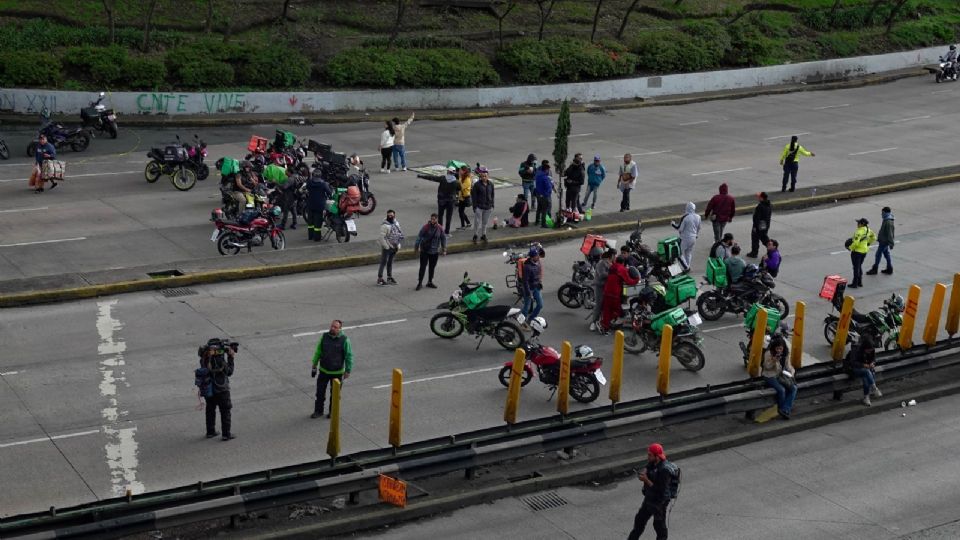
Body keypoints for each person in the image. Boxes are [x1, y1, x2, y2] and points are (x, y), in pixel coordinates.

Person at [627, 443, 672, 540]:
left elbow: (660, 491)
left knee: (659, 527)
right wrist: (644, 472)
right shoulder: (652, 463)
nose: (648, 457)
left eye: (650, 455)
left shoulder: (664, 471)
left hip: (659, 502)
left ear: (657, 456)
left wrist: (646, 480)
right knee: (639, 521)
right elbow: (647, 467)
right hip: (649, 499)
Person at [196, 338, 238, 440]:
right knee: (225, 410)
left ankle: (210, 432)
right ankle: (226, 434)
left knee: (210, 409)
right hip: (221, 389)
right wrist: (231, 357)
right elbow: (229, 372)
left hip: (208, 388)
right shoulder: (219, 360)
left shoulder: (205, 357)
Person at [310, 320, 353, 419]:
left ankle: (332, 412)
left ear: (340, 329)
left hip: (337, 373)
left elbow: (349, 356)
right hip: (324, 371)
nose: (332, 328)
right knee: (320, 393)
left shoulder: (345, 340)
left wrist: (348, 370)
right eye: (332, 326)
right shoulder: (324, 337)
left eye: (335, 327)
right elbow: (318, 351)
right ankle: (318, 411)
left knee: (335, 395)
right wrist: (314, 364)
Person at [600, 256, 640, 333]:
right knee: (617, 310)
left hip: (606, 291)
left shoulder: (612, 267)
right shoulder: (622, 269)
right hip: (615, 293)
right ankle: (613, 324)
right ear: (623, 262)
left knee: (607, 310)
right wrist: (636, 280)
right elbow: (628, 281)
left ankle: (605, 326)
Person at [761, 335, 797, 419]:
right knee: (781, 390)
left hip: (781, 375)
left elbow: (788, 366)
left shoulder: (786, 354)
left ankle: (785, 409)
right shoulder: (769, 353)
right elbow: (766, 367)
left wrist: (792, 372)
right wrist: (774, 360)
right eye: (777, 349)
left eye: (781, 348)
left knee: (793, 388)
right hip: (769, 375)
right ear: (774, 348)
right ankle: (782, 409)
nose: (779, 351)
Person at [844, 335, 882, 406]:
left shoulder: (872, 350)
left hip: (866, 370)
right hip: (853, 369)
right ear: (864, 348)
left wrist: (872, 363)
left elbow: (874, 359)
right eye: (868, 350)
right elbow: (853, 363)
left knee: (866, 376)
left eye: (871, 350)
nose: (869, 352)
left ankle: (866, 397)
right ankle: (874, 388)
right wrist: (863, 365)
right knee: (867, 372)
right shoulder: (856, 349)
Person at [414, 213, 446, 290]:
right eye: (431, 219)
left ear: (437, 219)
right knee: (422, 267)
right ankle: (420, 283)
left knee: (432, 267)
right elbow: (419, 237)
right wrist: (416, 247)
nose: (432, 220)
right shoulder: (426, 227)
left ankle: (430, 282)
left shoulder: (440, 228)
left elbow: (443, 239)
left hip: (435, 252)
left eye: (434, 219)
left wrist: (444, 249)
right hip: (425, 250)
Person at [589, 248, 614, 332]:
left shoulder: (611, 262)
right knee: (599, 305)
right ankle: (593, 322)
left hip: (607, 286)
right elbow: (602, 274)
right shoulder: (601, 263)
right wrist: (612, 273)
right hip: (600, 286)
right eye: (614, 255)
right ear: (611, 256)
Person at [847, 217, 876, 289]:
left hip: (857, 252)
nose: (857, 224)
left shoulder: (859, 232)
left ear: (862, 224)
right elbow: (874, 237)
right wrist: (868, 243)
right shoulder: (868, 230)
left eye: (858, 223)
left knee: (856, 267)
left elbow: (856, 243)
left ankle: (855, 284)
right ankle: (860, 282)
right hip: (864, 251)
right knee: (859, 266)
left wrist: (850, 248)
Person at [671, 202, 701, 271]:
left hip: (685, 238)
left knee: (679, 253)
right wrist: (696, 234)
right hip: (693, 237)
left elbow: (680, 228)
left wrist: (673, 224)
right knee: (688, 253)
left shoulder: (685, 217)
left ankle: (686, 267)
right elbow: (699, 227)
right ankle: (687, 265)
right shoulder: (698, 217)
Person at [867, 206, 895, 275]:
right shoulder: (887, 219)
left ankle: (875, 269)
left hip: (884, 242)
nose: (881, 214)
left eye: (882, 213)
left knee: (878, 255)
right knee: (886, 254)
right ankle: (889, 268)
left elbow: (890, 234)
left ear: (886, 213)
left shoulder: (888, 222)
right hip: (883, 241)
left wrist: (891, 243)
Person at [377, 209, 402, 286]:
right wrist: (386, 247)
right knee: (383, 262)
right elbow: (381, 237)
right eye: (388, 215)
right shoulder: (385, 225)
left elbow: (399, 233)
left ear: (394, 215)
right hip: (387, 247)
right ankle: (380, 279)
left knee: (390, 262)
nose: (390, 216)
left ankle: (389, 277)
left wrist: (398, 244)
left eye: (391, 215)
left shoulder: (396, 223)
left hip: (394, 246)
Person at [520, 247, 544, 326]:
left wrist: (540, 282)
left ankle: (530, 319)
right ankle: (521, 323)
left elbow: (539, 272)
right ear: (532, 257)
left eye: (538, 255)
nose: (538, 257)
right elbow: (525, 281)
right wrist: (529, 293)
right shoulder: (527, 267)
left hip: (537, 287)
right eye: (536, 255)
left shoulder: (538, 262)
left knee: (540, 305)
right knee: (526, 307)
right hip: (529, 289)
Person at [306, 172, 332, 241]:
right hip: (319, 205)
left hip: (310, 204)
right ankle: (317, 238)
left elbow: (306, 189)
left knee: (310, 222)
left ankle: (310, 236)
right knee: (317, 223)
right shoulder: (323, 184)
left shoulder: (309, 182)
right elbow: (329, 192)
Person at [471, 167, 495, 243]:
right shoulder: (477, 185)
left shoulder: (490, 184)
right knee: (477, 222)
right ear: (480, 177)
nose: (484, 177)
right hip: (479, 207)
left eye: (485, 176)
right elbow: (474, 197)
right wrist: (474, 207)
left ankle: (483, 235)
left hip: (488, 207)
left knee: (485, 222)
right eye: (482, 176)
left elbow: (492, 195)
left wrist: (492, 205)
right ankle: (475, 235)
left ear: (488, 176)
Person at [747, 191, 771, 258]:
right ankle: (771, 249)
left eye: (759, 197)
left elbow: (757, 218)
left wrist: (755, 226)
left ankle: (754, 253)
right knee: (764, 238)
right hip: (765, 225)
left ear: (762, 198)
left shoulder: (760, 206)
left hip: (759, 226)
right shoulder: (768, 205)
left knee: (755, 239)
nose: (758, 198)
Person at [437, 165, 459, 236]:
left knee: (440, 216)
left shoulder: (443, 178)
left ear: (448, 172)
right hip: (450, 201)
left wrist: (421, 176)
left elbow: (432, 178)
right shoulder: (456, 182)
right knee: (448, 217)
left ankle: (440, 231)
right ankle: (447, 232)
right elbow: (460, 188)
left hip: (441, 200)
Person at [534, 160, 554, 228]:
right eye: (548, 170)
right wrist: (547, 193)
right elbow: (548, 188)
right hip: (544, 196)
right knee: (545, 210)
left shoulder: (538, 175)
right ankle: (543, 223)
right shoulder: (545, 178)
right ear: (546, 170)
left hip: (538, 194)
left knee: (539, 208)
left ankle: (537, 221)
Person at [457, 164, 473, 230]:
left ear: (464, 171)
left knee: (460, 211)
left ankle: (463, 226)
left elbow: (461, 187)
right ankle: (468, 223)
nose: (459, 171)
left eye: (460, 170)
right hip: (462, 197)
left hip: (464, 198)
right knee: (461, 211)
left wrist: (459, 178)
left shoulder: (467, 179)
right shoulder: (463, 177)